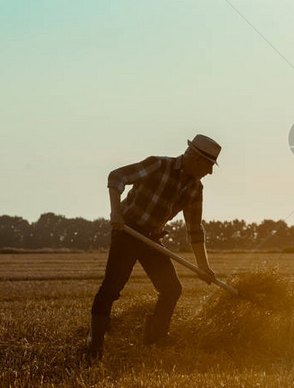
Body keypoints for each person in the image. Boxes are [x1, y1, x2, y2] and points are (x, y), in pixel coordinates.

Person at [84, 134, 221, 360]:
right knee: (112, 287)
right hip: (127, 231)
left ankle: (156, 338)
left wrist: (204, 266)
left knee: (172, 289)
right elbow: (117, 176)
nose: (210, 172)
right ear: (195, 158)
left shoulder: (195, 188)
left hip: (151, 238)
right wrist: (116, 212)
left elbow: (195, 228)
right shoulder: (158, 165)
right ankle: (94, 342)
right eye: (209, 165)